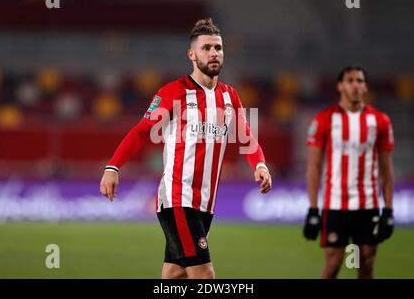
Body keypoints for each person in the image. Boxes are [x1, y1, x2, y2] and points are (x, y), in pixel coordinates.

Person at [99, 18, 272, 279]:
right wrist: (113, 167)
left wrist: (259, 164)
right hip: (178, 199)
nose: (214, 53)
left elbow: (246, 136)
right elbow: (142, 131)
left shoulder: (230, 96)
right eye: (206, 48)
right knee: (204, 275)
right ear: (192, 54)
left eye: (218, 47)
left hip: (206, 203)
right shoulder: (173, 92)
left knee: (175, 274)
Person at [303, 66, 395, 279]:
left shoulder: (380, 121)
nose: (355, 85)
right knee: (334, 262)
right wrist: (313, 209)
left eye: (360, 81)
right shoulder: (324, 119)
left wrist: (388, 210)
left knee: (367, 262)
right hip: (336, 204)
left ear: (365, 86)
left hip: (368, 204)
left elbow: (386, 169)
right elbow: (313, 167)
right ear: (340, 86)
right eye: (350, 80)